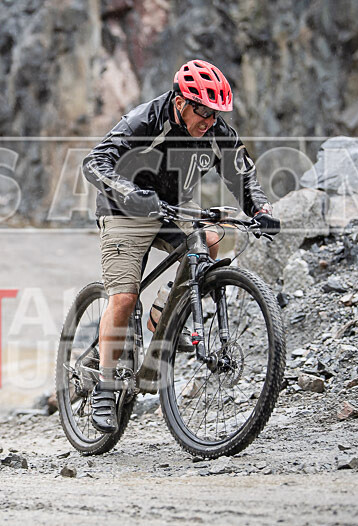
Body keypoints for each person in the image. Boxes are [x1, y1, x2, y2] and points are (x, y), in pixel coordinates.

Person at [81, 59, 280, 434]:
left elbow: (242, 174)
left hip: (172, 209)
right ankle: (106, 387)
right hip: (124, 210)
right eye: (203, 112)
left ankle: (168, 311)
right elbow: (94, 162)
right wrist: (131, 193)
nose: (209, 121)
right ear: (180, 102)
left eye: (216, 114)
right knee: (123, 298)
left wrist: (261, 209)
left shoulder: (216, 130)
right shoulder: (144, 120)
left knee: (211, 237)